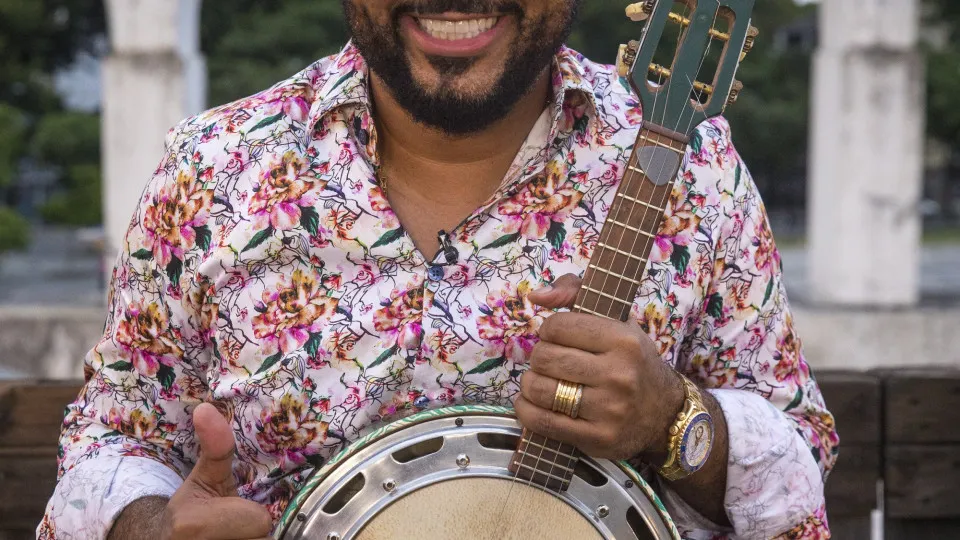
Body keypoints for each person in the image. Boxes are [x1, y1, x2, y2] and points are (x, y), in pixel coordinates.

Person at [40, 1, 838, 539]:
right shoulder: (212, 172)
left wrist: (675, 421)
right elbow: (110, 440)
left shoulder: (690, 169)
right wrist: (148, 526)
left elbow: (797, 469)